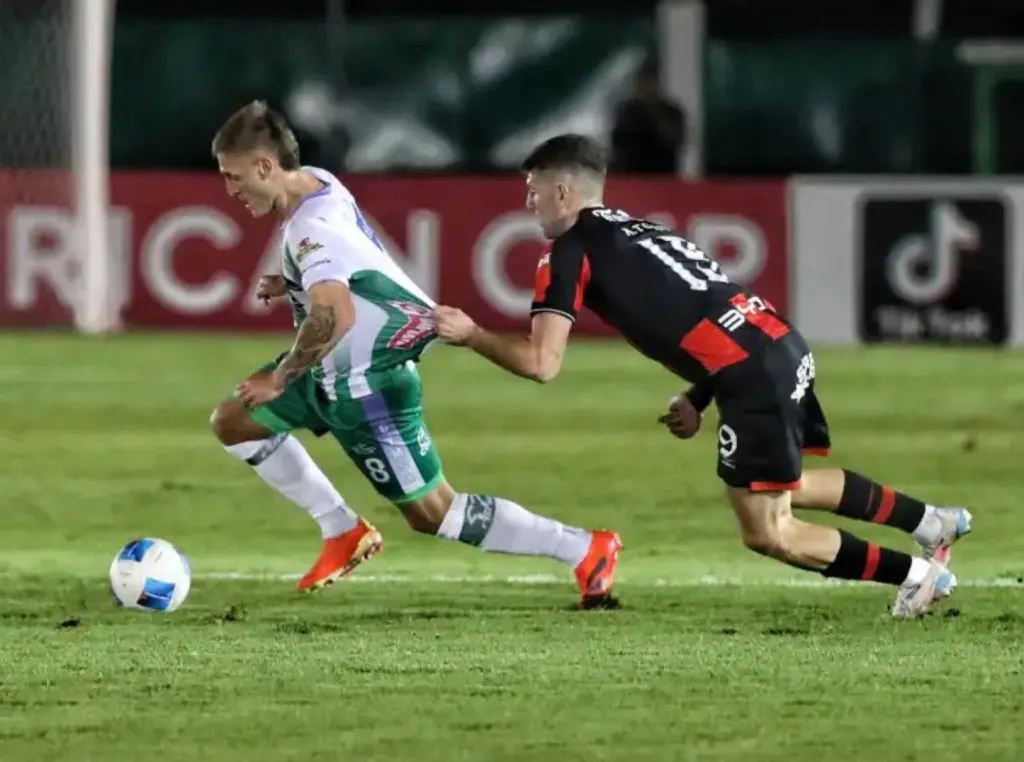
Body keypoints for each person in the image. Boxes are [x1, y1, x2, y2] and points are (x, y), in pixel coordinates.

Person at [433, 133, 972, 618]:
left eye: (534, 189)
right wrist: (699, 395)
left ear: (564, 193)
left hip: (751, 374)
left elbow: (542, 363)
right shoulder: (643, 229)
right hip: (780, 344)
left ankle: (921, 578)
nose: (528, 203)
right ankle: (932, 523)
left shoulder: (568, 253)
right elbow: (715, 313)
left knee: (769, 531)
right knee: (787, 484)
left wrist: (471, 334)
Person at [208, 103, 622, 609]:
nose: (229, 189)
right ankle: (340, 529)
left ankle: (582, 548)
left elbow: (335, 317)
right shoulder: (318, 183)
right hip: (330, 372)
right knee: (233, 421)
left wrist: (280, 378)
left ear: (266, 167)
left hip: (370, 386)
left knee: (436, 514)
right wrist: (295, 280)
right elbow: (354, 264)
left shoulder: (309, 226)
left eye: (233, 176)